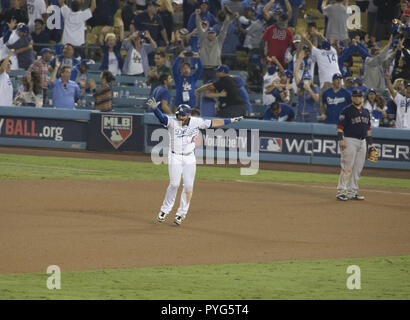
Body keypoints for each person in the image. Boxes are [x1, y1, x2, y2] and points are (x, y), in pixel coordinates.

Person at [148, 97, 243, 226]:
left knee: (188, 187)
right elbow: (162, 118)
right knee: (174, 184)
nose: (180, 117)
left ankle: (181, 214)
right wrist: (155, 109)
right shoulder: (172, 122)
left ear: (189, 115)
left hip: (189, 158)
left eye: (183, 115)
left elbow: (213, 123)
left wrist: (230, 121)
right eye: (179, 115)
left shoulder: (196, 122)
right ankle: (165, 210)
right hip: (175, 156)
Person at [336, 89, 375, 201]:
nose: (357, 98)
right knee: (347, 167)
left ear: (362, 98)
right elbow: (339, 127)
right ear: (352, 98)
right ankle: (341, 191)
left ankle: (352, 191)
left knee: (358, 168)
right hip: (349, 140)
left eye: (359, 96)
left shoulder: (366, 111)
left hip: (362, 142)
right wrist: (341, 139)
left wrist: (371, 144)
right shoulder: (346, 111)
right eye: (355, 96)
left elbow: (368, 129)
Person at [196, 7, 230, 82]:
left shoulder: (219, 40)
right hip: (203, 69)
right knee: (203, 88)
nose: (211, 35)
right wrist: (197, 16)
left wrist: (226, 22)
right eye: (209, 33)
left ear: (215, 34)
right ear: (207, 34)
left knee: (215, 88)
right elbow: (199, 27)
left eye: (213, 33)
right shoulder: (203, 40)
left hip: (215, 69)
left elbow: (223, 31)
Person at [294, 50, 319, 122]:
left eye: (308, 79)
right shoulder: (300, 86)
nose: (306, 81)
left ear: (311, 81)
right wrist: (300, 59)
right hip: (300, 114)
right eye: (305, 79)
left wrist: (309, 89)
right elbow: (296, 72)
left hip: (310, 114)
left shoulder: (314, 88)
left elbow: (317, 99)